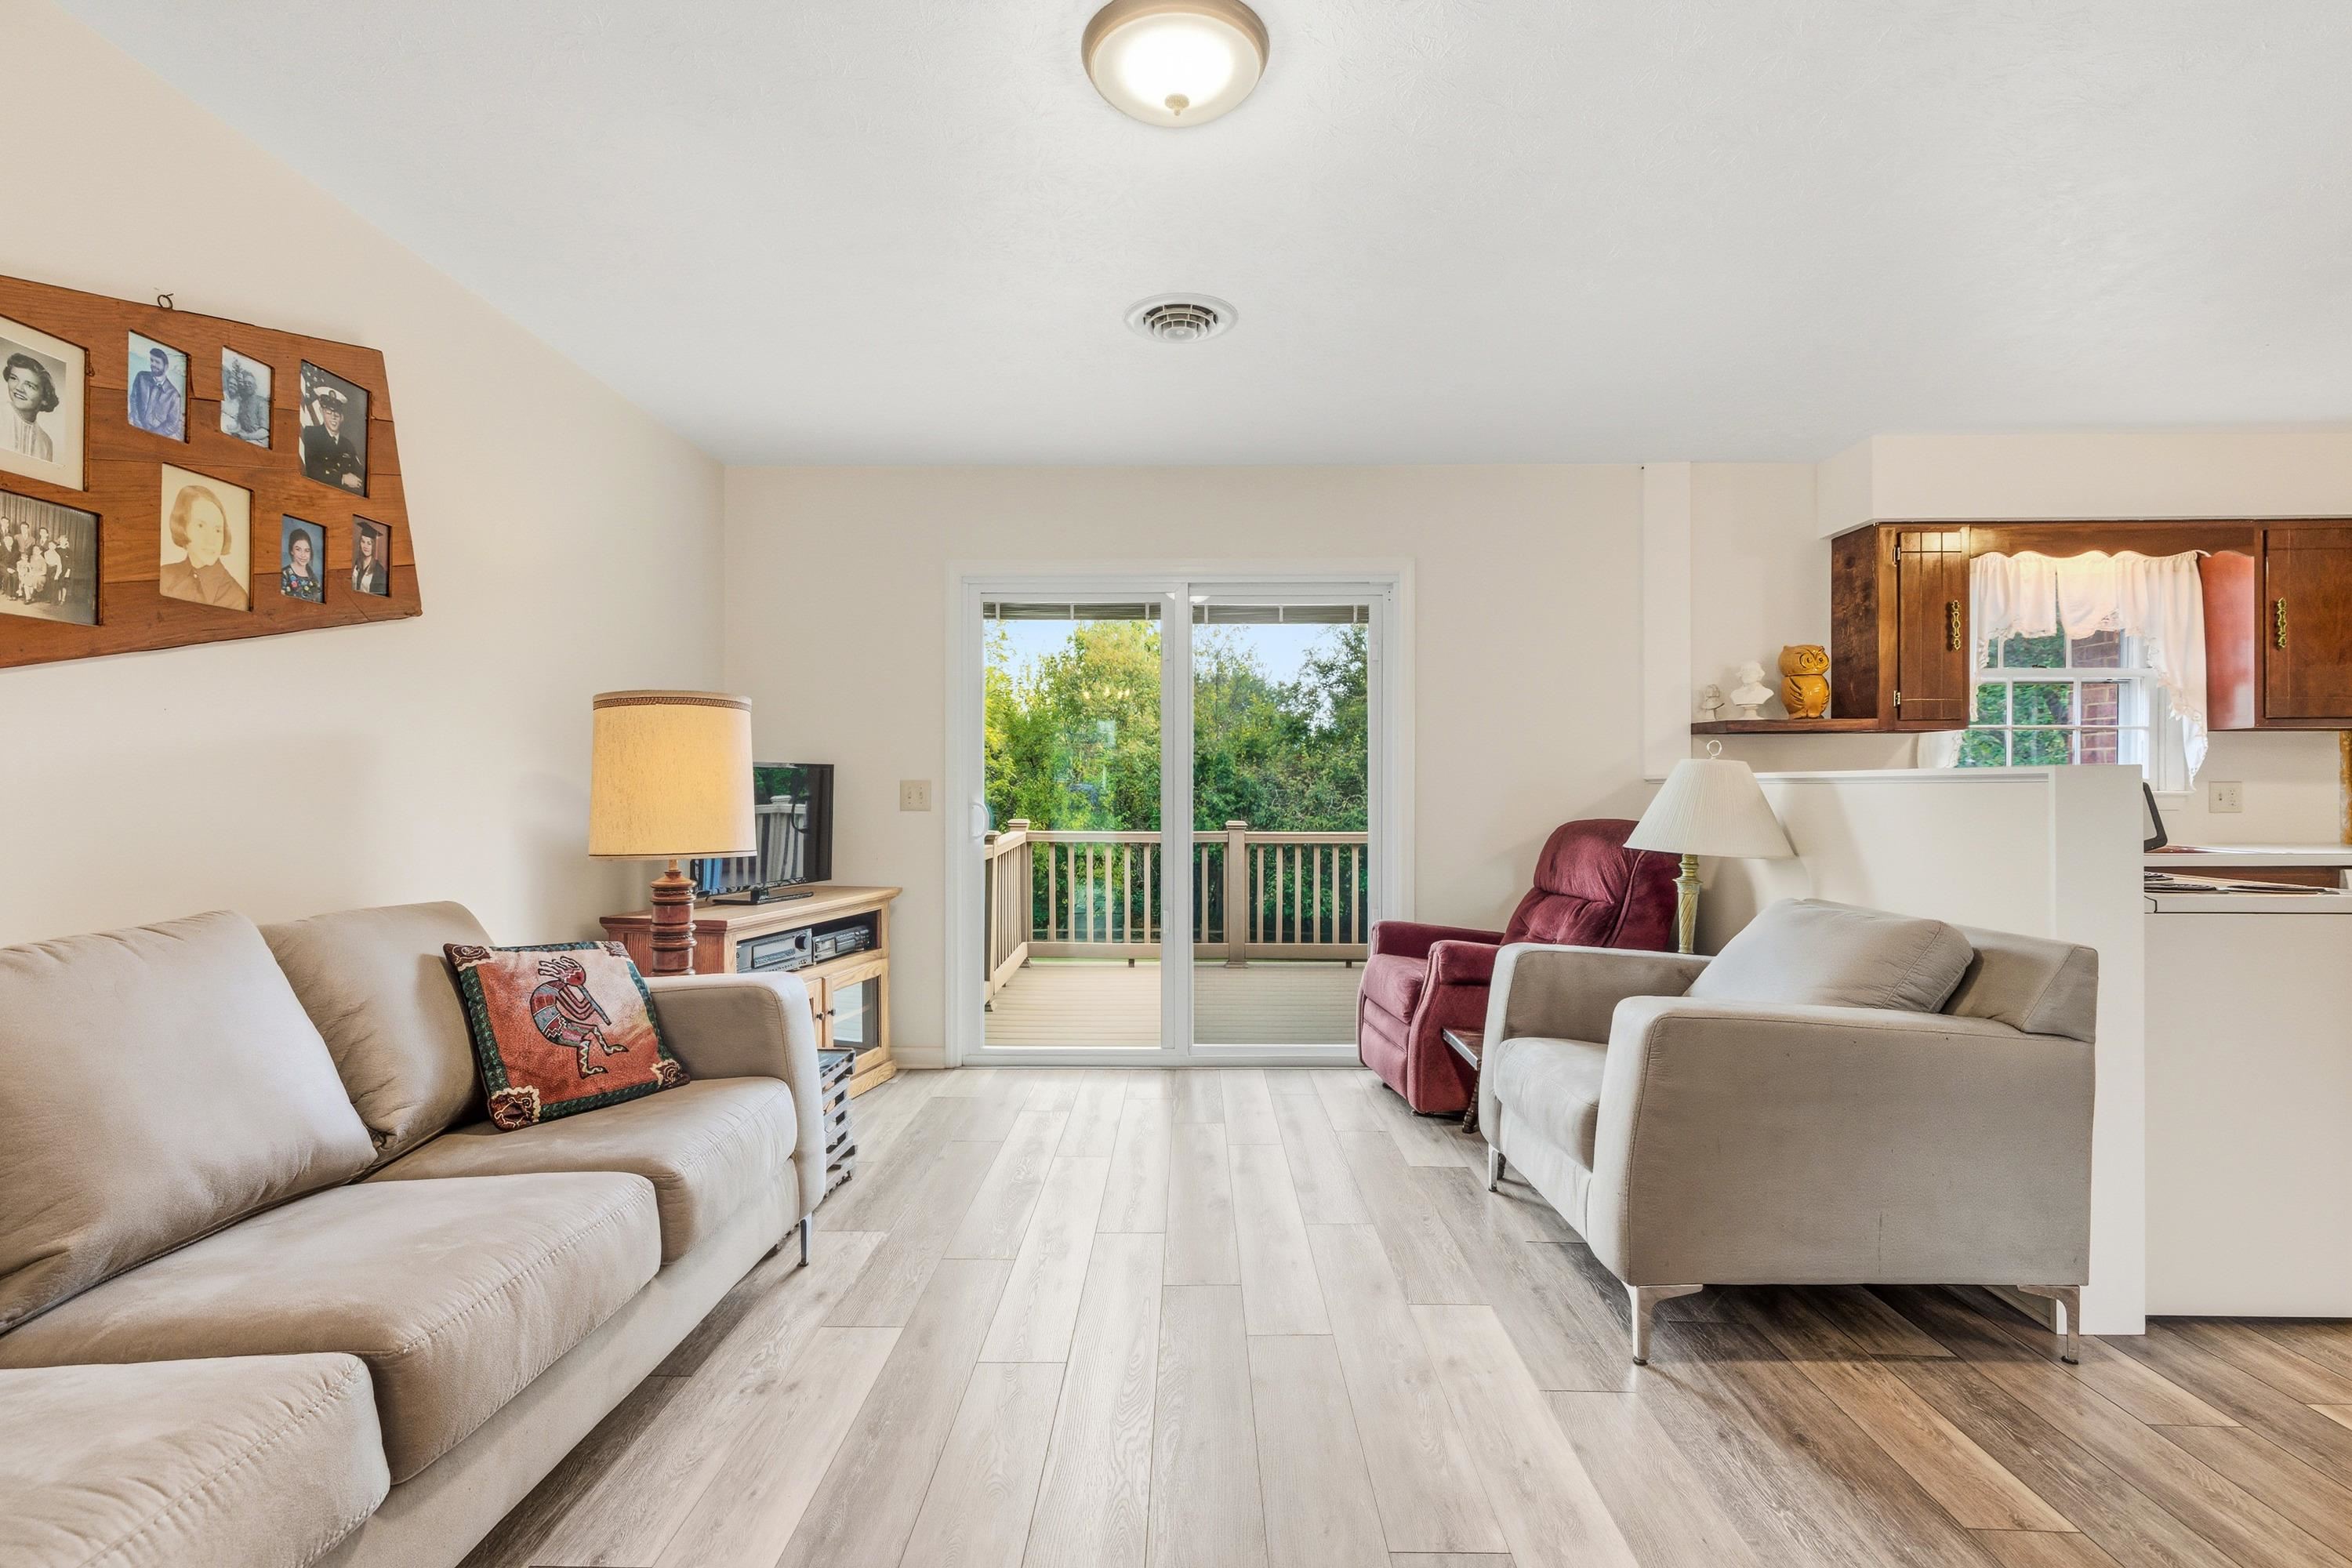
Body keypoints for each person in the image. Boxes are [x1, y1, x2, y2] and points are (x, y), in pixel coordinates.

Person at [158, 483, 245, 609]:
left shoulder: (236, 598)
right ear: (183, 527)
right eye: (201, 526)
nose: (211, 540)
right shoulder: (164, 575)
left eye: (217, 530)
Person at [301, 382, 365, 492]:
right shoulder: (310, 435)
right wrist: (342, 478)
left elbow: (360, 472)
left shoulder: (347, 444)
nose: (333, 418)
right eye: (329, 412)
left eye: (337, 414)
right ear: (321, 412)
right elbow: (311, 470)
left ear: (342, 418)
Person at [5, 352, 56, 462]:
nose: (19, 388)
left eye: (30, 385)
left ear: (44, 398)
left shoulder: (46, 443)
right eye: (14, 378)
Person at [128, 344, 183, 438]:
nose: (153, 364)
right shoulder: (141, 377)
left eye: (157, 362)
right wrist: (138, 424)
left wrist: (152, 435)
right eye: (152, 360)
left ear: (166, 367)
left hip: (156, 437)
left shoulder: (174, 395)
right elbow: (133, 399)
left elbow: (173, 424)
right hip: (135, 427)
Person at [221, 357, 270, 446]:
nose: (247, 385)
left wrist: (247, 437)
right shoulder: (242, 402)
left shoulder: (261, 403)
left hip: (258, 441)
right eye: (245, 383)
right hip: (243, 437)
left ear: (255, 387)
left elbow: (265, 432)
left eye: (250, 383)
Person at [280, 527, 322, 602]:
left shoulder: (313, 577)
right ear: (291, 551)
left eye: (307, 550)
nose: (303, 555)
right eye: (298, 549)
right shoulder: (284, 574)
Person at [350, 523, 388, 595]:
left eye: (369, 543)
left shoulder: (380, 571)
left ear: (374, 546)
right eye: (363, 541)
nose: (365, 546)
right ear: (360, 543)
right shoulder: (357, 564)